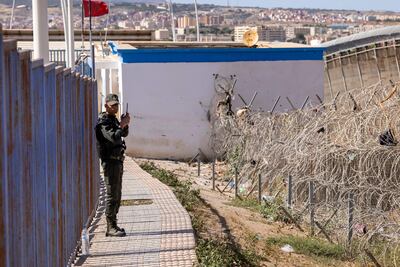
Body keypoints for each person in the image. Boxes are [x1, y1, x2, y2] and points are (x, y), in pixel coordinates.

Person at [95, 94, 131, 237]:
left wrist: (125, 125)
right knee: (111, 195)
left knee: (117, 194)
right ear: (106, 106)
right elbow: (113, 137)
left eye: (116, 105)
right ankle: (110, 227)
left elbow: (123, 134)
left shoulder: (112, 119)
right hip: (109, 162)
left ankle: (114, 224)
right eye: (112, 105)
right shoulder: (103, 122)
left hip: (117, 161)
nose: (115, 107)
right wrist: (121, 126)